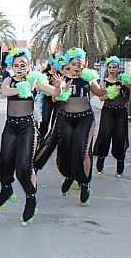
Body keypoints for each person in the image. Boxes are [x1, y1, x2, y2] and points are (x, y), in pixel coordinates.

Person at [0, 48, 62, 224]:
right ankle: (6, 187)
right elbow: (5, 92)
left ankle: (31, 197)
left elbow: (55, 94)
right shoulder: (9, 80)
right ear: (12, 66)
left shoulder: (35, 80)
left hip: (27, 127)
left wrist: (58, 86)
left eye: (23, 65)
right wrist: (22, 89)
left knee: (24, 165)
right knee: (4, 162)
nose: (19, 68)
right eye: (16, 65)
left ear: (29, 66)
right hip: (10, 126)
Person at [34, 48, 107, 206]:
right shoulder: (62, 79)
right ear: (69, 64)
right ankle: (68, 175)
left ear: (84, 64)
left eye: (79, 63)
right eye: (74, 63)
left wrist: (104, 90)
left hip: (85, 119)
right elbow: (54, 99)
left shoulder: (89, 78)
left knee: (83, 150)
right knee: (66, 150)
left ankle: (85, 183)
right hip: (65, 119)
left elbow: (100, 94)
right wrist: (60, 87)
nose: (77, 66)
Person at [92, 56, 131, 177]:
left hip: (121, 112)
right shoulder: (103, 82)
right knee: (105, 134)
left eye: (115, 67)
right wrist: (112, 92)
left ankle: (120, 161)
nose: (112, 69)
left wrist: (130, 84)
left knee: (120, 136)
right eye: (110, 67)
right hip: (108, 110)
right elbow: (101, 98)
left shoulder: (123, 80)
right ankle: (101, 160)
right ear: (107, 69)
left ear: (118, 69)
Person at [38, 53, 62, 142]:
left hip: (57, 99)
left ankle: (52, 138)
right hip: (47, 99)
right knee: (45, 119)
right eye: (54, 64)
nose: (55, 66)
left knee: (55, 120)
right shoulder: (44, 74)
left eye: (57, 64)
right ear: (51, 64)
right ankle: (41, 137)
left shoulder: (60, 74)